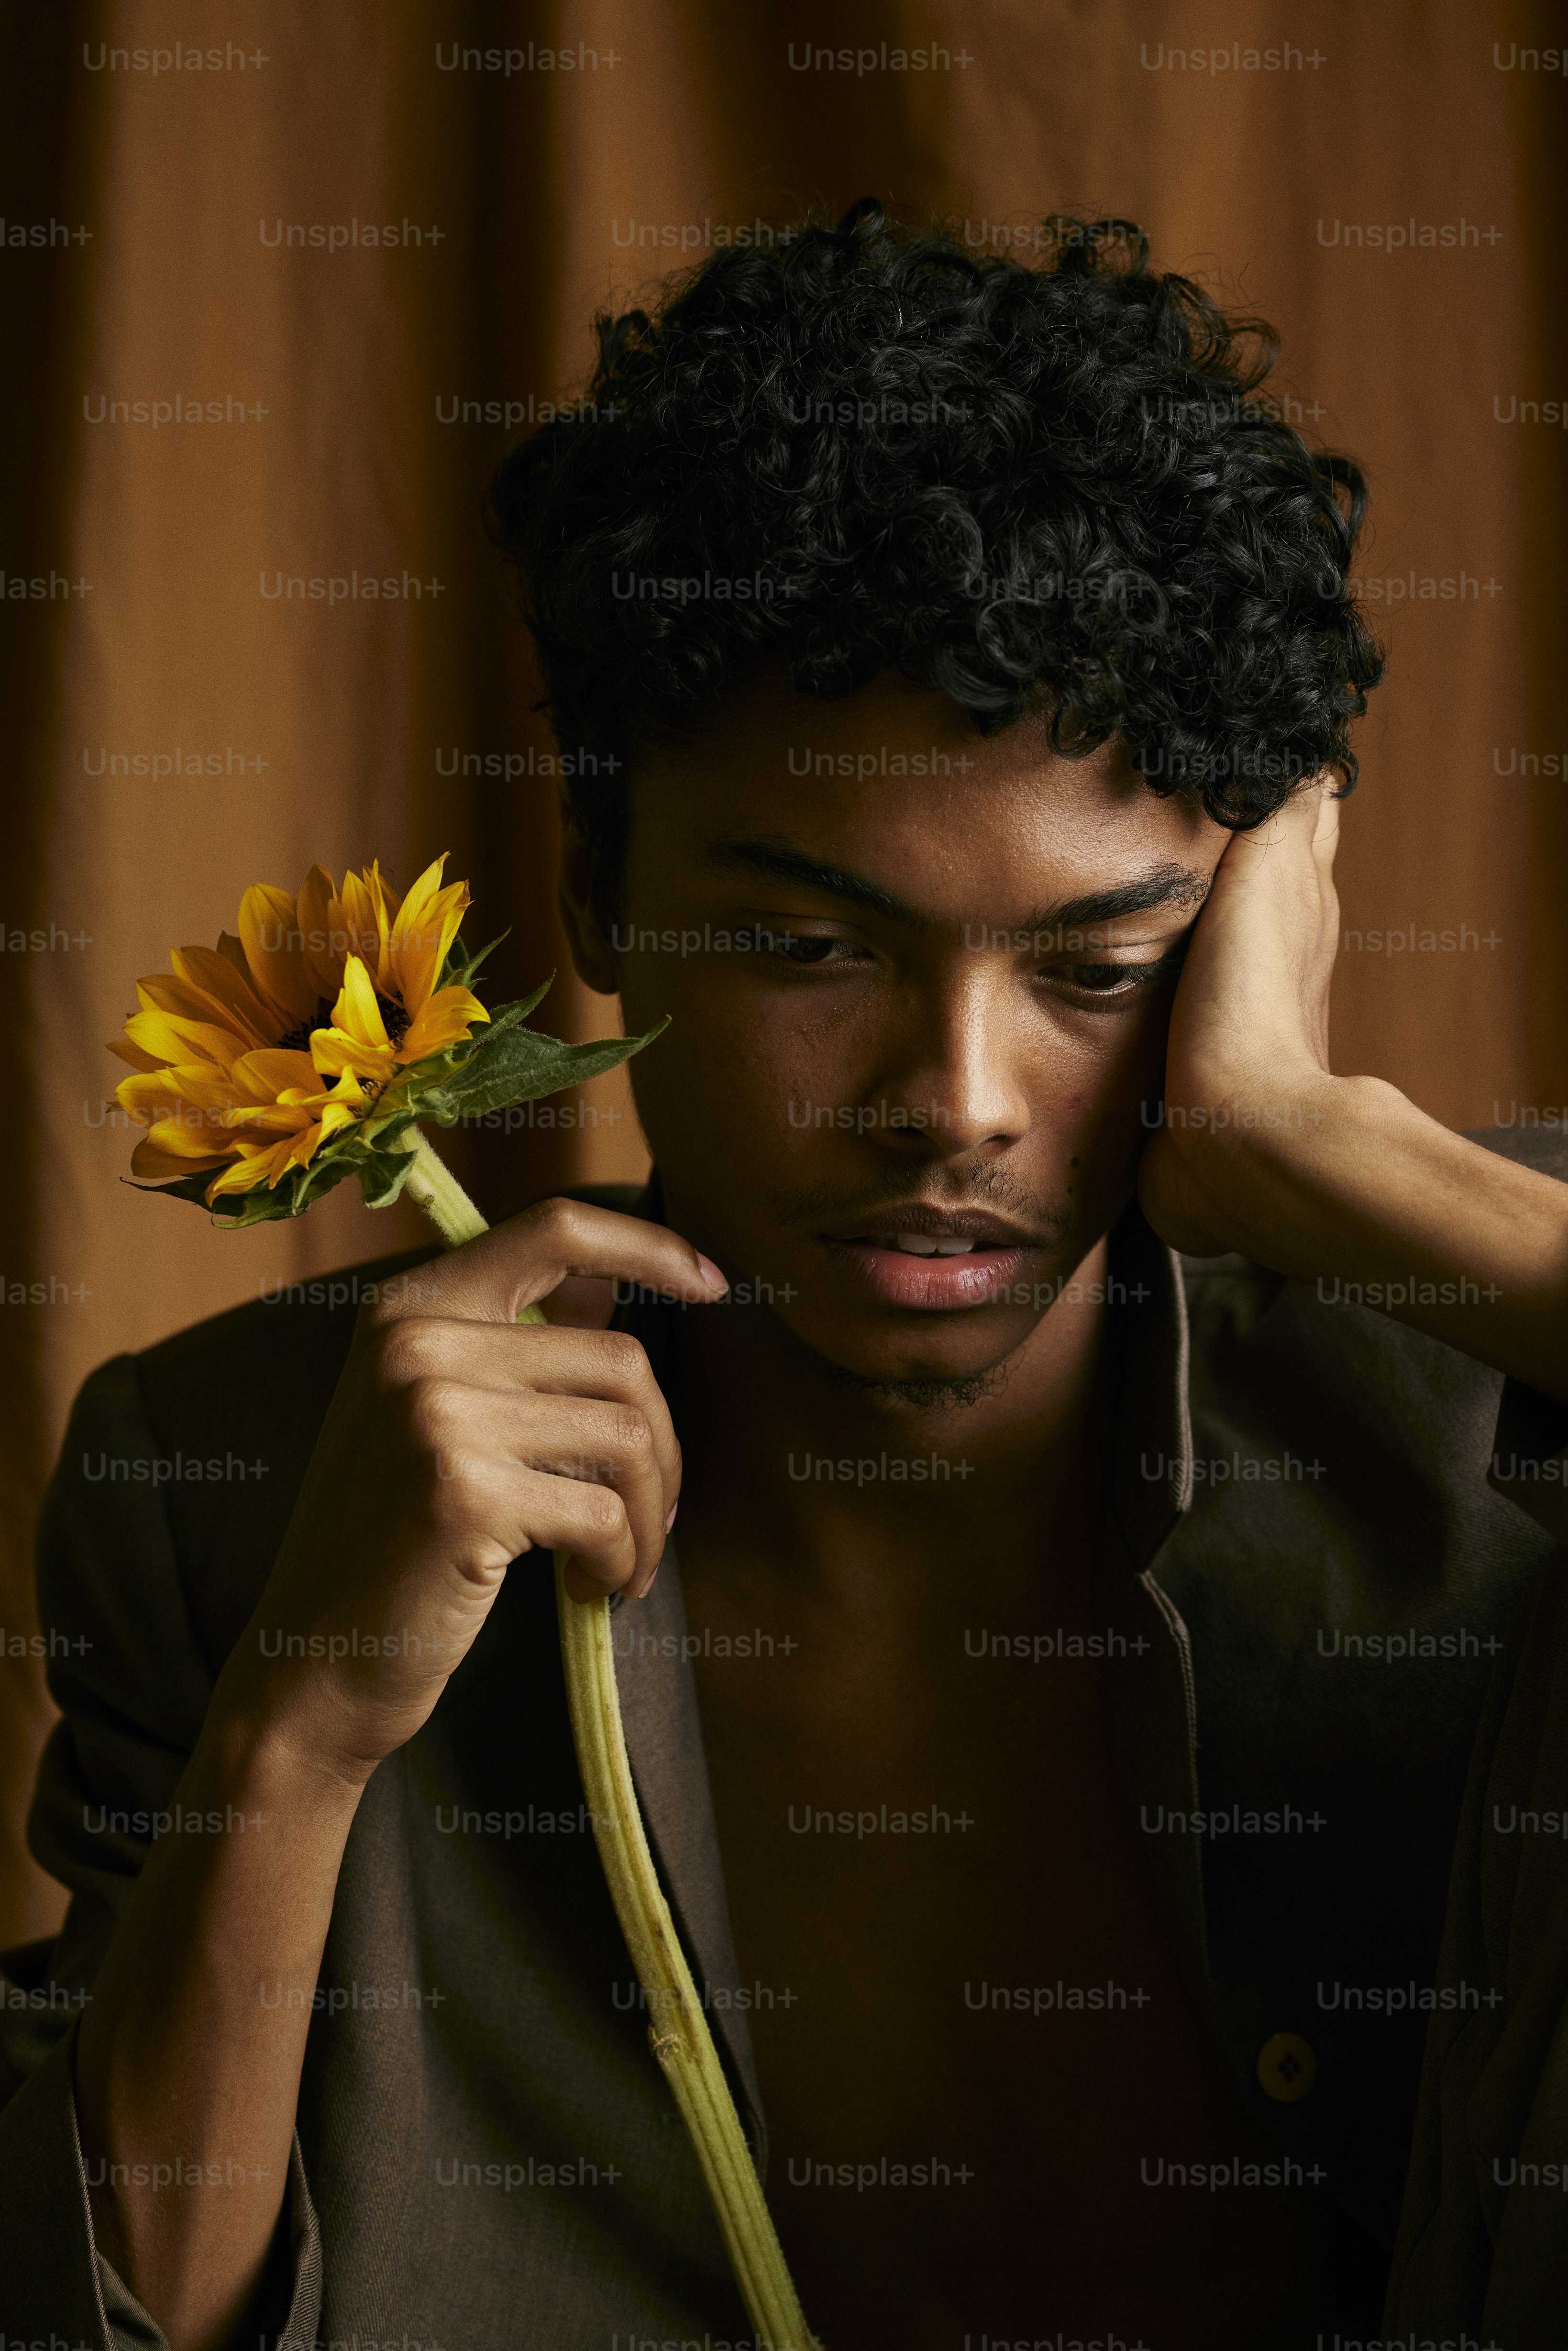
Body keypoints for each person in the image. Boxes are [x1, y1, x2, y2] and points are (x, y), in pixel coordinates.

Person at [3, 200, 1566, 2351]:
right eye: (811, 948)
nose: (956, 1099)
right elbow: (103, 2317)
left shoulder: (1491, 1361)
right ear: (601, 889)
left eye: (1096, 969)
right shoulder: (234, 1485)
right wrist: (296, 1733)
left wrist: (1323, 1147)